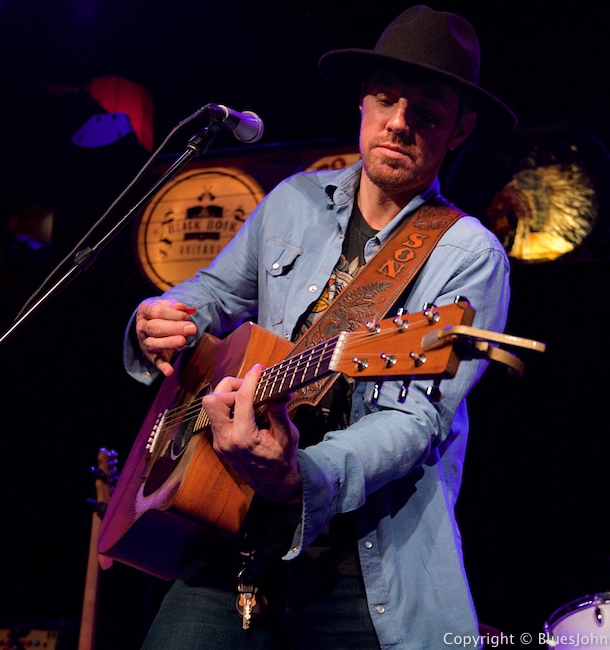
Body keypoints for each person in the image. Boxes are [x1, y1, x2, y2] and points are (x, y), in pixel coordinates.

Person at [124, 5, 517, 648]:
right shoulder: (294, 200)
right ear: (362, 102)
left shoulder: (469, 254)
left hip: (360, 572)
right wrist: (163, 318)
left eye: (427, 113)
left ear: (460, 129)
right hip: (232, 538)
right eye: (386, 99)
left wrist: (297, 478)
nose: (399, 123)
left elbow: (415, 420)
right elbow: (214, 292)